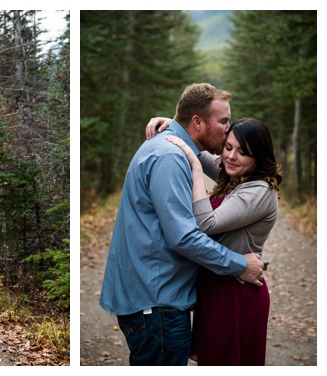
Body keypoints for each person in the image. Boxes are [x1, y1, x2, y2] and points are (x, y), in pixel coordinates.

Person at [99, 83, 265, 366]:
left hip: (152, 296)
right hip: (157, 302)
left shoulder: (170, 148)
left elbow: (225, 165)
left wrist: (174, 123)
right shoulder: (170, 157)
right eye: (223, 122)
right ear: (198, 122)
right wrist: (241, 264)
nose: (228, 129)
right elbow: (184, 237)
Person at [150, 117, 282, 365]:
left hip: (237, 294)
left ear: (258, 157)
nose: (231, 157)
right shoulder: (236, 175)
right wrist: (173, 122)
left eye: (243, 152)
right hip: (216, 288)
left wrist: (197, 171)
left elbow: (205, 224)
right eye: (228, 147)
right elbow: (197, 151)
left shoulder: (259, 190)